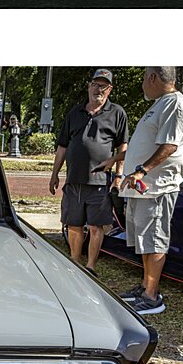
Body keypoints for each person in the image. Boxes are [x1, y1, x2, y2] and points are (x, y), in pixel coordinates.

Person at [117, 67, 183, 315]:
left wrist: (142, 170)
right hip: (142, 189)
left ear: (152, 78)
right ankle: (145, 287)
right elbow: (145, 143)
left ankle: (152, 297)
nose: (142, 84)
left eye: (144, 79)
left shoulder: (176, 105)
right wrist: (115, 160)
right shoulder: (160, 104)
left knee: (155, 240)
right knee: (145, 240)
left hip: (157, 187)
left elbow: (170, 145)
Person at [49, 69, 129, 277]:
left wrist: (118, 176)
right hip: (74, 180)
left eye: (103, 86)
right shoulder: (75, 113)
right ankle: (75, 263)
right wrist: (54, 174)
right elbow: (62, 146)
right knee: (74, 225)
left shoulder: (117, 113)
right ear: (89, 86)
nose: (98, 89)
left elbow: (123, 146)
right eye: (95, 84)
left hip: (100, 182)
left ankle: (91, 266)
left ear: (109, 89)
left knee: (95, 227)